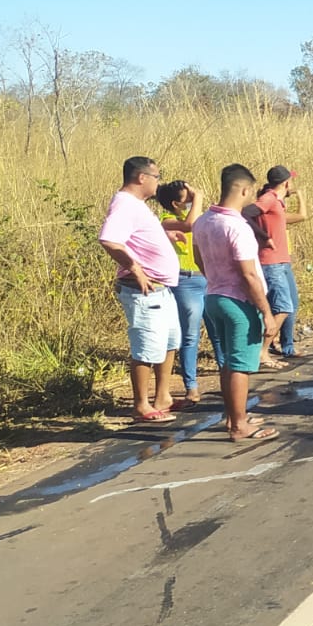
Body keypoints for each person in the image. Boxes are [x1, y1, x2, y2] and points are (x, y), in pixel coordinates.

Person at [191, 164, 280, 442]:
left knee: (228, 362)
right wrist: (266, 312)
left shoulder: (204, 221)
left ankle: (233, 415)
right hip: (238, 301)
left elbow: (198, 259)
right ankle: (239, 425)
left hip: (214, 296)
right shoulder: (237, 226)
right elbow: (249, 274)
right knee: (240, 364)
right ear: (243, 190)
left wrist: (216, 280)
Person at [98, 156, 183, 423]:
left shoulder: (137, 206)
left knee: (169, 342)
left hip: (162, 289)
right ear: (141, 178)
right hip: (144, 291)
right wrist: (134, 268)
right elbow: (110, 240)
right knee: (146, 346)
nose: (159, 182)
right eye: (156, 176)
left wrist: (163, 236)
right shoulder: (125, 205)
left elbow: (137, 236)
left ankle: (163, 396)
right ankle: (141, 405)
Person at [245, 165, 308, 369]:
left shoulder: (277, 203)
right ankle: (262, 351)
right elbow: (246, 212)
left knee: (289, 304)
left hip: (281, 261)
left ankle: (271, 347)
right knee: (283, 307)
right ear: (286, 183)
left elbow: (299, 217)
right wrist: (263, 236)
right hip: (271, 262)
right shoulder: (270, 198)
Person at [155, 180, 211, 408]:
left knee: (216, 331)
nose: (192, 202)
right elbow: (190, 225)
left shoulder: (196, 216)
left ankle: (228, 376)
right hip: (184, 280)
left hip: (205, 276)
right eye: (187, 200)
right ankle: (191, 386)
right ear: (176, 204)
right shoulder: (166, 221)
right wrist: (198, 198)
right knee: (190, 335)